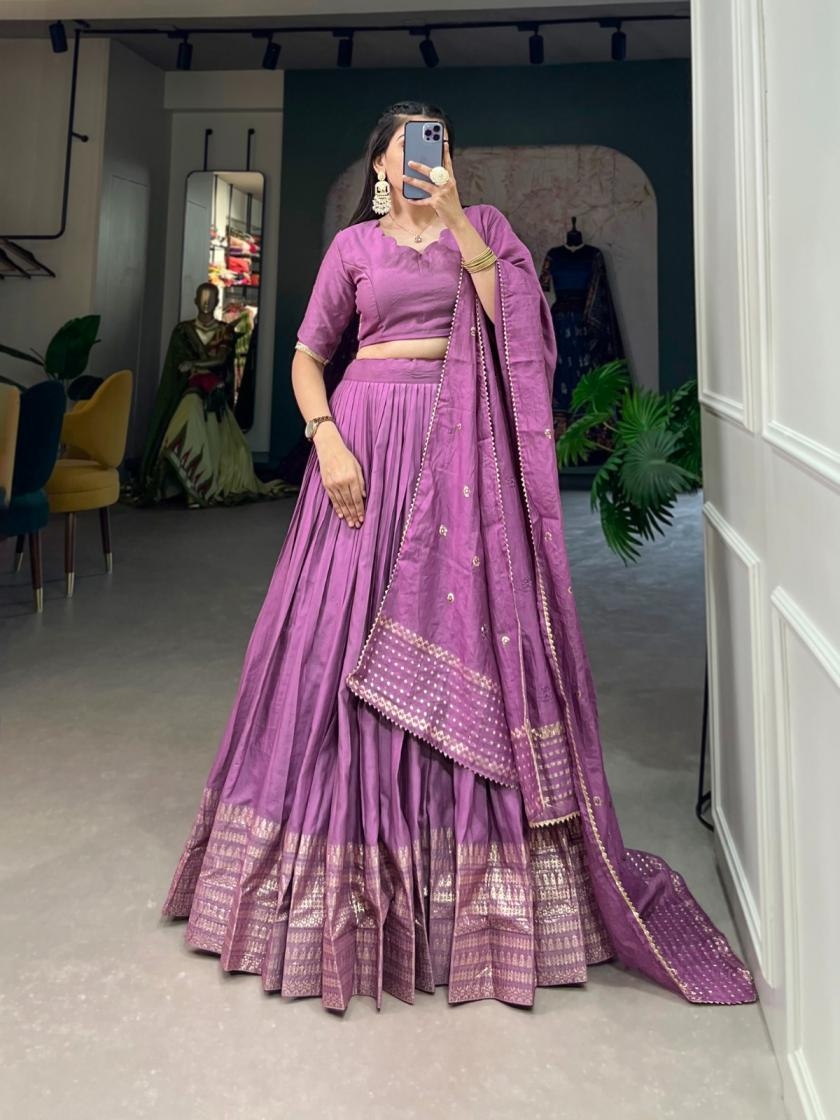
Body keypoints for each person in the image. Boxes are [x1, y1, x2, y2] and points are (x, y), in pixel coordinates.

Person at [161, 101, 757, 1011]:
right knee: (331, 641)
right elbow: (308, 357)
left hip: (459, 458)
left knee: (469, 634)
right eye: (407, 146)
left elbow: (520, 329)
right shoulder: (353, 249)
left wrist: (456, 219)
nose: (423, 158)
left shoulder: (483, 230)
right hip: (362, 446)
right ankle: (339, 876)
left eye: (436, 144)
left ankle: (465, 894)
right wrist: (324, 439)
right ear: (378, 164)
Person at [135, 283, 290, 508]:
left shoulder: (224, 331)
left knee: (232, 451)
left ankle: (200, 486)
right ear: (195, 300)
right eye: (202, 298)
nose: (206, 303)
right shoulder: (183, 332)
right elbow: (175, 368)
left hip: (213, 396)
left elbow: (221, 360)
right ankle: (185, 483)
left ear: (217, 301)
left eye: (211, 298)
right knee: (183, 427)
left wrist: (194, 364)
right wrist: (190, 369)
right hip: (189, 392)